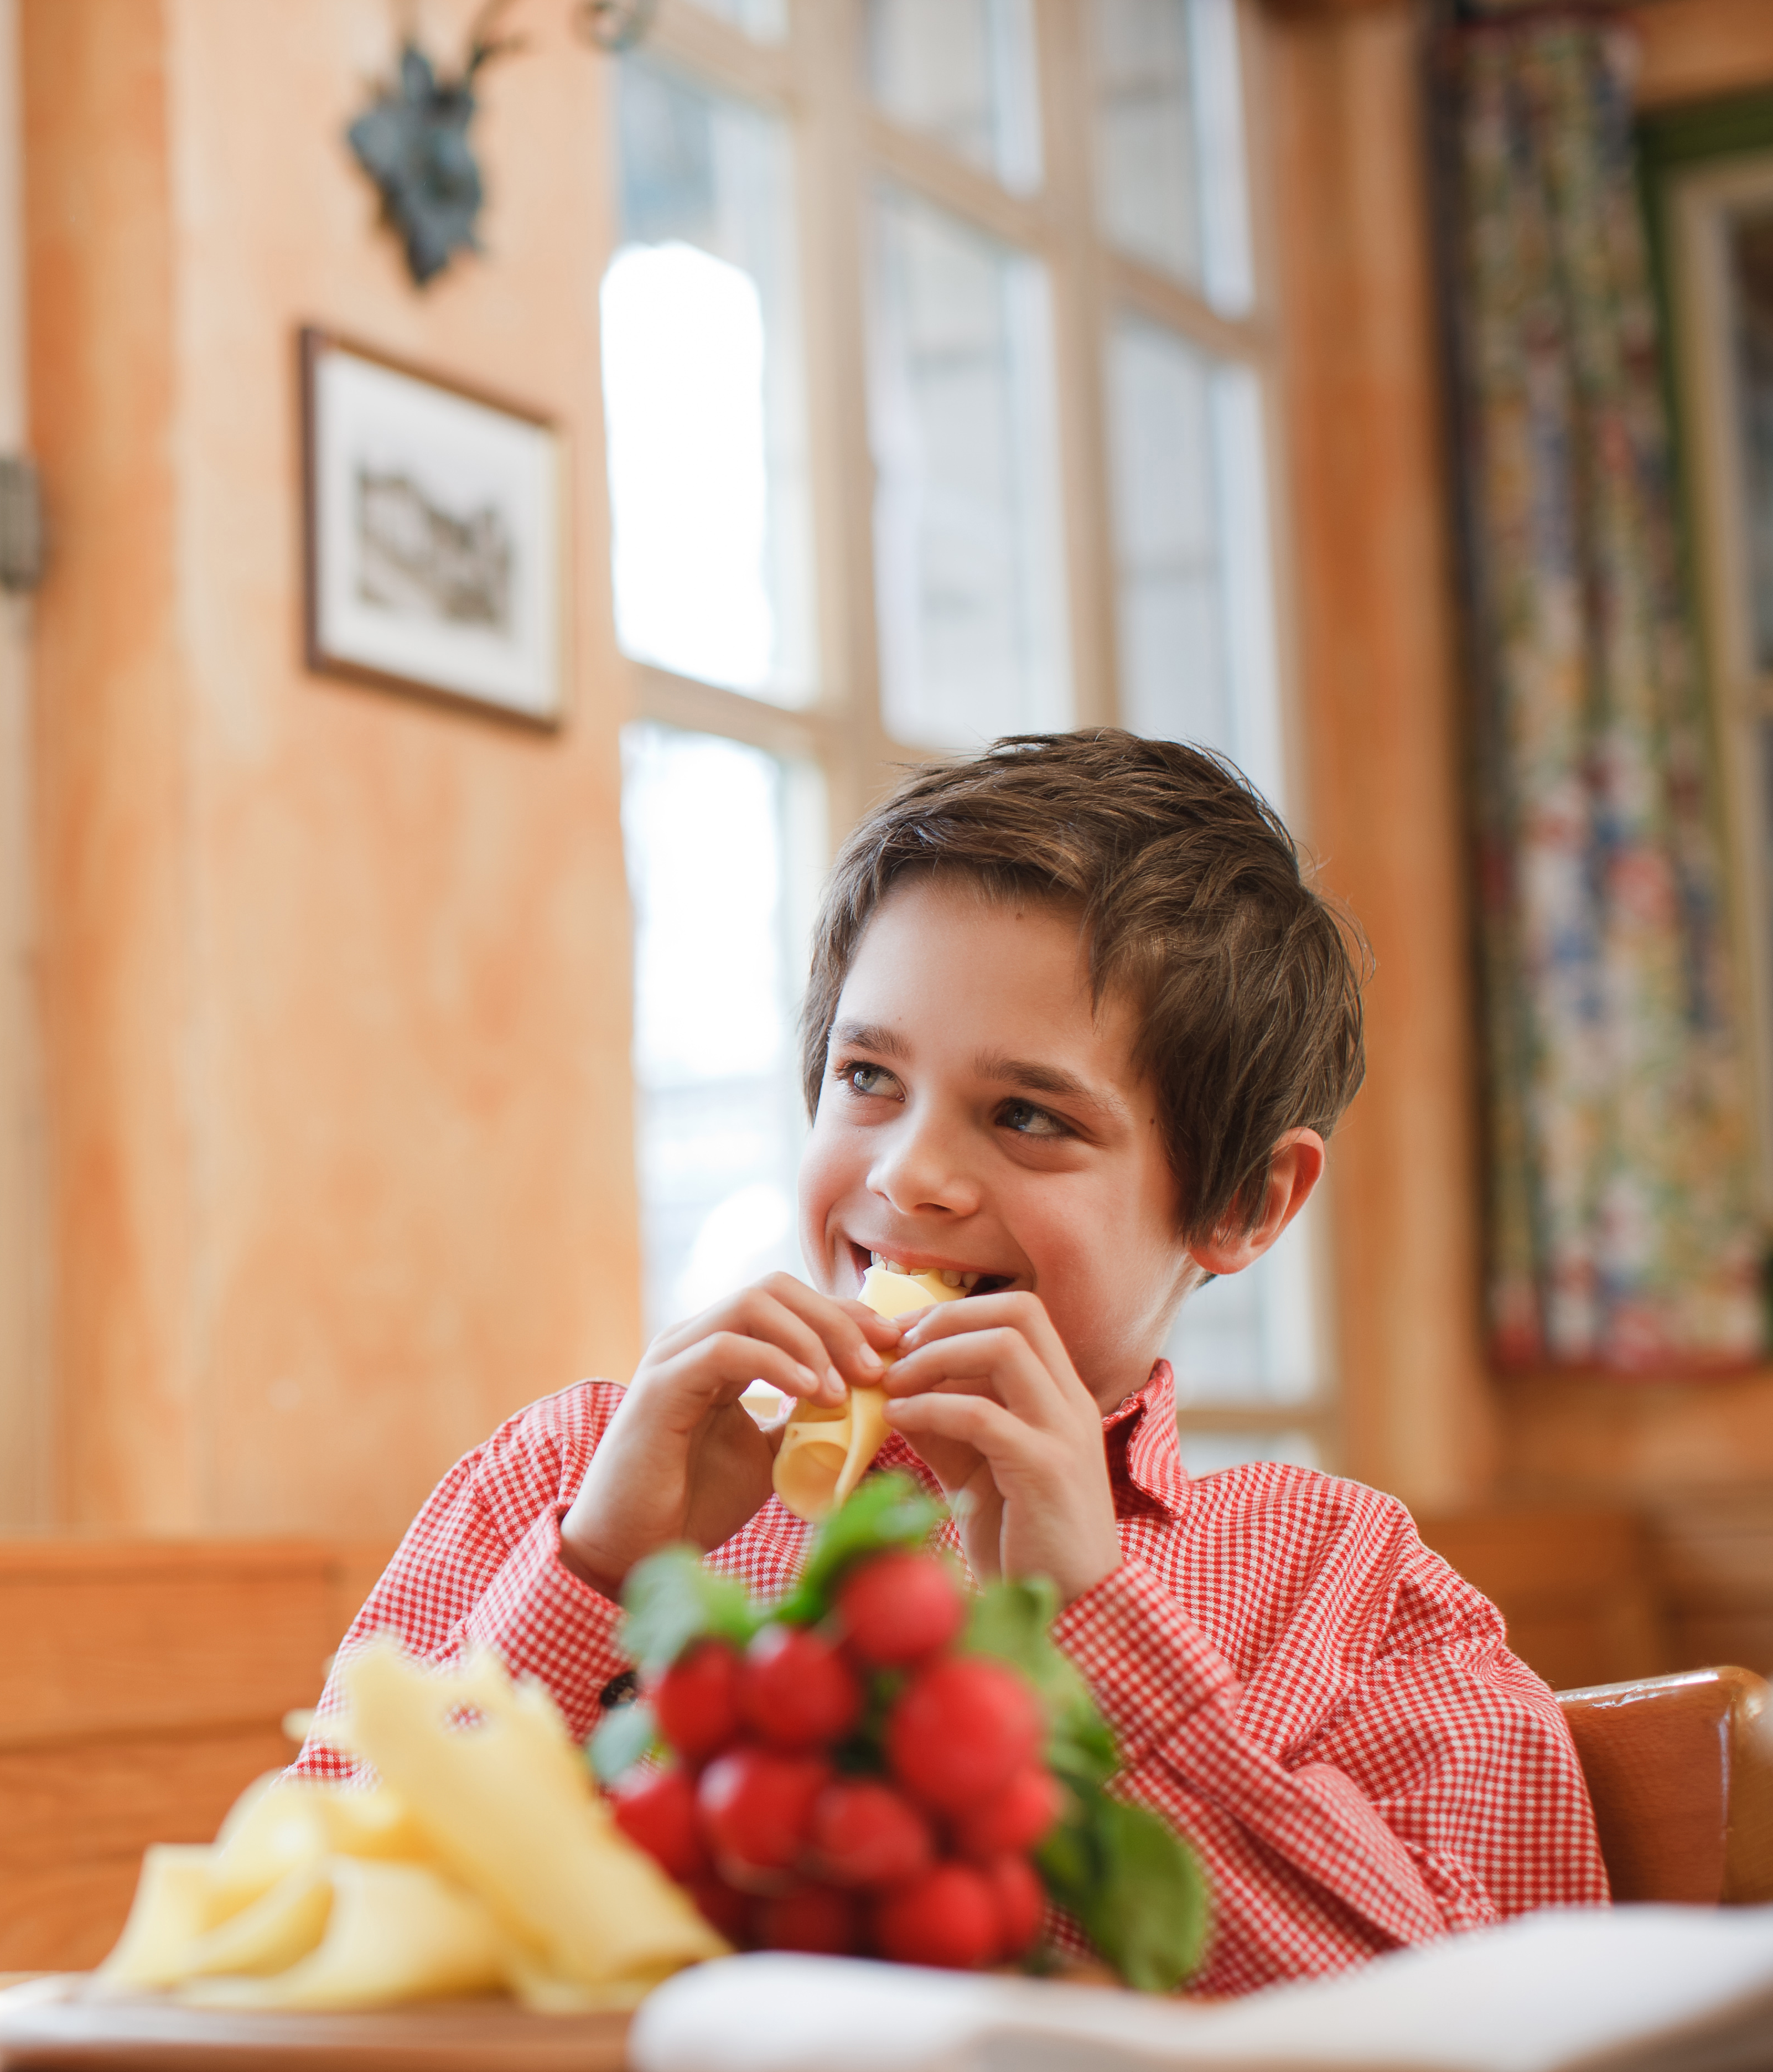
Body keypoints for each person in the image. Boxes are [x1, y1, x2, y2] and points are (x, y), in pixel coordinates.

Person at [295, 732, 1611, 1997]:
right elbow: (297, 1931)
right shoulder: (564, 1482)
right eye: (868, 1076)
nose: (908, 1174)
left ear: (1249, 1204)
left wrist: (1099, 1630)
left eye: (1028, 1116)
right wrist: (590, 1580)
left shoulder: (1358, 1594)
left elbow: (1492, 2024)